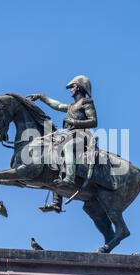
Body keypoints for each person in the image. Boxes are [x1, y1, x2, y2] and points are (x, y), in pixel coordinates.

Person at [27, 75, 98, 213]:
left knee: (67, 146)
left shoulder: (86, 102)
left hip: (82, 135)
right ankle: (56, 202)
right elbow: (58, 105)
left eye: (72, 87)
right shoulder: (71, 106)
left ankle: (70, 179)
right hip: (68, 135)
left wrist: (75, 123)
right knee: (51, 151)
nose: (70, 90)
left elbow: (94, 121)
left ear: (78, 87)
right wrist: (42, 97)